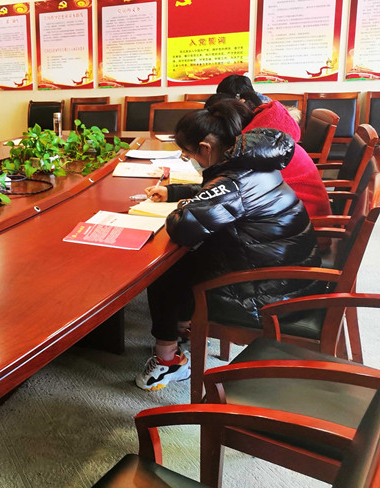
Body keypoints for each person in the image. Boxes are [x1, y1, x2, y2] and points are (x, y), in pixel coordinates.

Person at [135, 100, 323, 391]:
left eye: (188, 154)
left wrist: (183, 206)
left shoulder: (234, 180)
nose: (190, 160)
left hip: (270, 295)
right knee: (187, 260)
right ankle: (180, 325)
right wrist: (174, 192)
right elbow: (219, 191)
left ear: (206, 148)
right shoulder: (254, 160)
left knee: (165, 270)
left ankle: (168, 359)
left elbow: (183, 226)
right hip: (292, 276)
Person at [206, 91, 332, 220]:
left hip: (307, 221)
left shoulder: (257, 151)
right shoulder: (270, 139)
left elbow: (231, 198)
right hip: (292, 212)